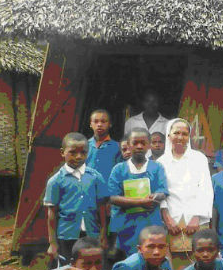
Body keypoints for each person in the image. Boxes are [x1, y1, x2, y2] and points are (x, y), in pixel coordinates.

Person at [44, 133, 109, 261]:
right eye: (73, 152)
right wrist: (52, 243)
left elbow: (102, 209)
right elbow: (52, 213)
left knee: (92, 265)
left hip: (92, 234)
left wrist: (103, 236)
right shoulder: (56, 181)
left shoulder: (95, 177)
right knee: (69, 267)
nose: (79, 156)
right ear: (62, 152)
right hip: (67, 236)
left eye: (83, 152)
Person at [158, 119, 213, 263]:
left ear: (189, 137)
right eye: (176, 133)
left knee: (200, 258)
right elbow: (161, 193)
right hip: (172, 220)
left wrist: (196, 217)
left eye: (185, 133)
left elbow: (205, 189)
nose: (180, 137)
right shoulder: (161, 162)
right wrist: (167, 219)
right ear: (168, 135)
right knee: (175, 264)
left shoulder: (199, 158)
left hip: (196, 220)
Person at [108, 128, 168, 256]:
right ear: (128, 145)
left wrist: (156, 196)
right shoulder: (119, 169)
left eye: (143, 143)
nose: (139, 146)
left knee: (151, 260)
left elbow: (163, 191)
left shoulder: (157, 168)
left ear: (149, 145)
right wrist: (141, 202)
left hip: (150, 224)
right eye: (135, 143)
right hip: (126, 226)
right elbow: (112, 197)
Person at [86, 109, 122, 185]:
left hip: (107, 191)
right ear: (90, 124)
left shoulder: (118, 147)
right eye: (96, 121)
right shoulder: (84, 145)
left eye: (103, 121)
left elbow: (120, 172)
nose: (99, 124)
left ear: (110, 124)